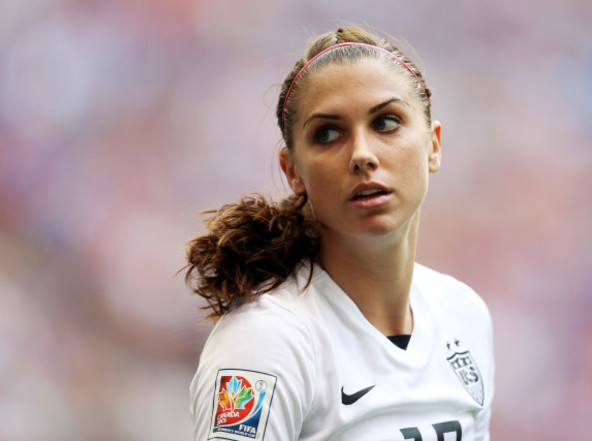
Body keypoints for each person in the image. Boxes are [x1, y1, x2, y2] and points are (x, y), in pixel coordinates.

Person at [185, 26, 494, 441]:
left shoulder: (464, 315)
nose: (362, 155)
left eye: (386, 122)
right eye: (327, 134)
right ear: (292, 170)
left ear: (433, 146)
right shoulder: (263, 342)